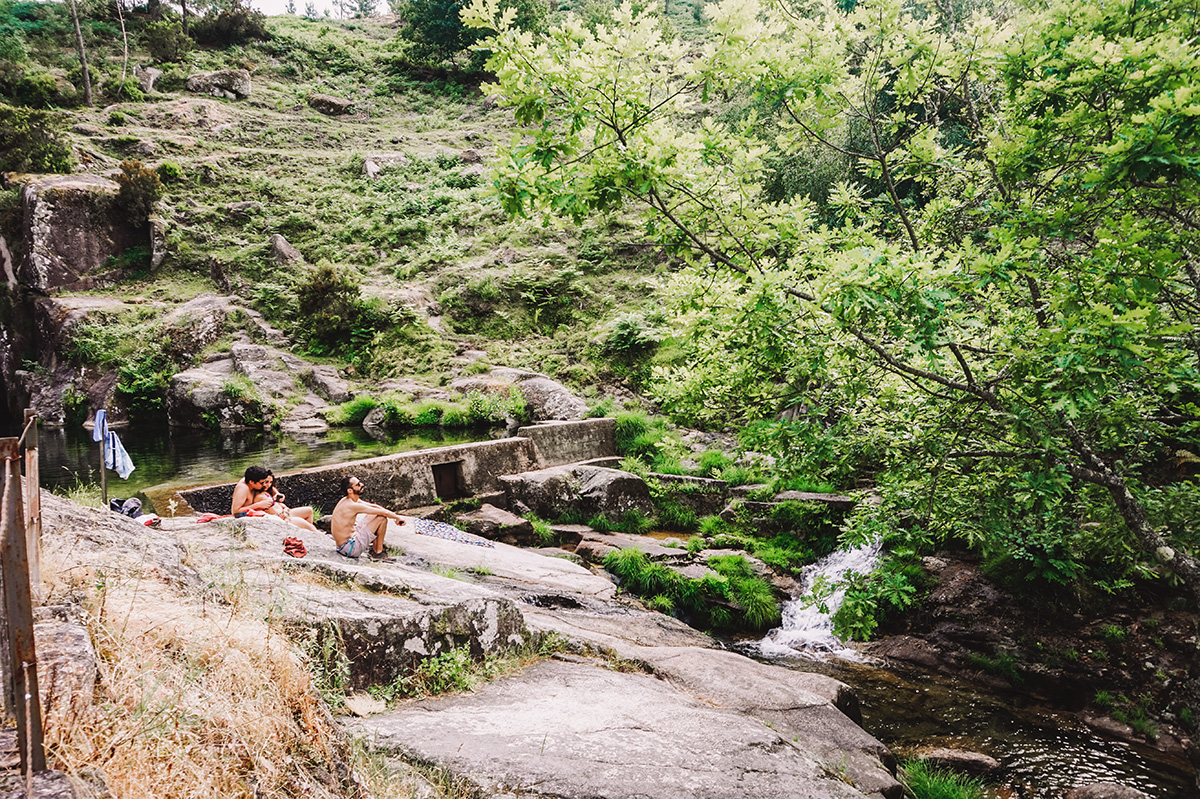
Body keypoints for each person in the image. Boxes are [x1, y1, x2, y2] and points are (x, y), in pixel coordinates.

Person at [330, 475, 405, 562]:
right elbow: (383, 513)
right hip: (349, 548)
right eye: (358, 484)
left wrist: (395, 516)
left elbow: (374, 506)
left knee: (373, 515)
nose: (362, 484)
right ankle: (378, 553)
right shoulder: (351, 505)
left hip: (348, 542)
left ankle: (374, 549)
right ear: (350, 490)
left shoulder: (349, 499)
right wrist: (397, 518)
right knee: (381, 518)